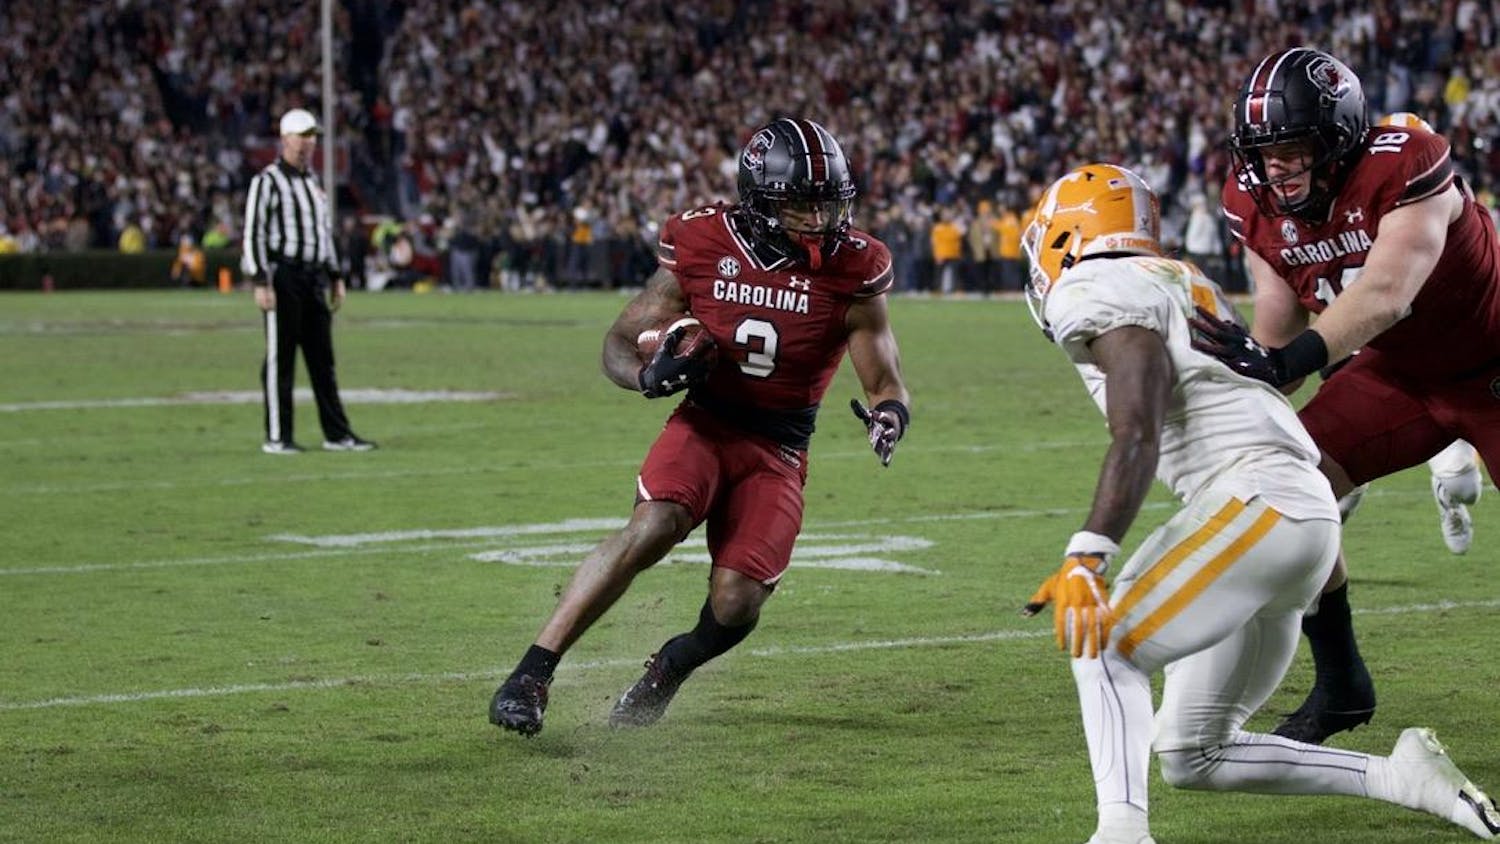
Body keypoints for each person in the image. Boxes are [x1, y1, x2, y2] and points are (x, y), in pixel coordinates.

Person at [1021, 162, 1499, 844]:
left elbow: (1139, 424)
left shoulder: (1095, 284)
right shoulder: (1179, 279)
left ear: (1066, 236)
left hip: (1258, 503)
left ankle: (1121, 833)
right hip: (1297, 520)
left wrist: (1089, 551)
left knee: (1103, 641)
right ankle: (1401, 777)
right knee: (1193, 751)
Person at [489, 117, 910, 737]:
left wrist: (889, 416)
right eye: (801, 205)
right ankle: (531, 674)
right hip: (705, 423)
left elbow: (885, 381)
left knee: (737, 602)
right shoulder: (702, 239)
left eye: (829, 203)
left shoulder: (856, 265)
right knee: (652, 526)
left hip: (779, 447)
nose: (820, 219)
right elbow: (619, 341)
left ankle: (671, 666)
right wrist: (645, 376)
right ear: (760, 200)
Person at [1193, 47, 1500, 745]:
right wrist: (1226, 382)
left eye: (1293, 148)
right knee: (1285, 484)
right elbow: (1277, 329)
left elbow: (1387, 294)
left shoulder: (1406, 161)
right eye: (1264, 152)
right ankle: (1341, 683)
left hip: (1492, 366)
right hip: (1401, 376)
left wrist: (1287, 360)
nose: (1276, 168)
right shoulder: (1252, 203)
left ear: (1339, 137)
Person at [1331, 112, 1484, 556]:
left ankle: (1446, 498)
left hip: (1450, 364)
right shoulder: (1355, 211)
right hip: (1381, 360)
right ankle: (1318, 564)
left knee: (1464, 485)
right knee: (1330, 487)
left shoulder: (1454, 206)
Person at [242, 108, 376, 455]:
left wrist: (335, 275)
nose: (307, 143)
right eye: (301, 136)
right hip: (283, 276)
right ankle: (278, 436)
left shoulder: (313, 185)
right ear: (285, 138)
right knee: (281, 359)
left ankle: (337, 434)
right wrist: (260, 280)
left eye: (311, 136)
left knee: (322, 360)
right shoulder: (267, 181)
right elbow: (254, 232)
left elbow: (323, 234)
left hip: (313, 277)